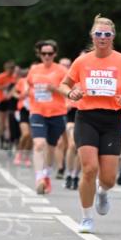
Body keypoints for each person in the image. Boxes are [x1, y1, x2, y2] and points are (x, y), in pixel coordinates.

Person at [59, 16, 121, 233]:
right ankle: (86, 217)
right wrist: (71, 92)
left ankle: (103, 192)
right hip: (86, 117)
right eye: (98, 34)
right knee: (89, 169)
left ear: (113, 37)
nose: (102, 38)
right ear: (92, 36)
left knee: (108, 178)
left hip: (112, 119)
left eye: (107, 34)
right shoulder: (82, 61)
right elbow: (64, 84)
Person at [26, 41, 68, 194]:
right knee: (38, 144)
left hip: (57, 113)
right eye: (44, 53)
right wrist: (28, 94)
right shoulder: (34, 70)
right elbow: (29, 87)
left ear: (55, 54)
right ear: (39, 54)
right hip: (37, 112)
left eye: (50, 53)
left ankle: (47, 175)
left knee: (51, 148)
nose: (47, 56)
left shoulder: (62, 70)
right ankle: (39, 179)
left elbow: (68, 91)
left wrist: (54, 89)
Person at [0, 60, 16, 149]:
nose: (11, 71)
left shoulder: (14, 77)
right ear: (6, 69)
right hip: (1, 100)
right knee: (1, 123)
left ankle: (8, 140)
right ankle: (1, 140)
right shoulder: (1, 76)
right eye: (10, 69)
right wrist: (4, 86)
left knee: (8, 123)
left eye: (13, 69)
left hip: (10, 101)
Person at [11, 68, 32, 167]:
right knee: (26, 134)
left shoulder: (39, 81)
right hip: (23, 109)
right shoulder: (22, 81)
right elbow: (14, 92)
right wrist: (19, 96)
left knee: (31, 136)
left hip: (35, 110)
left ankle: (27, 156)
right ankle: (19, 153)